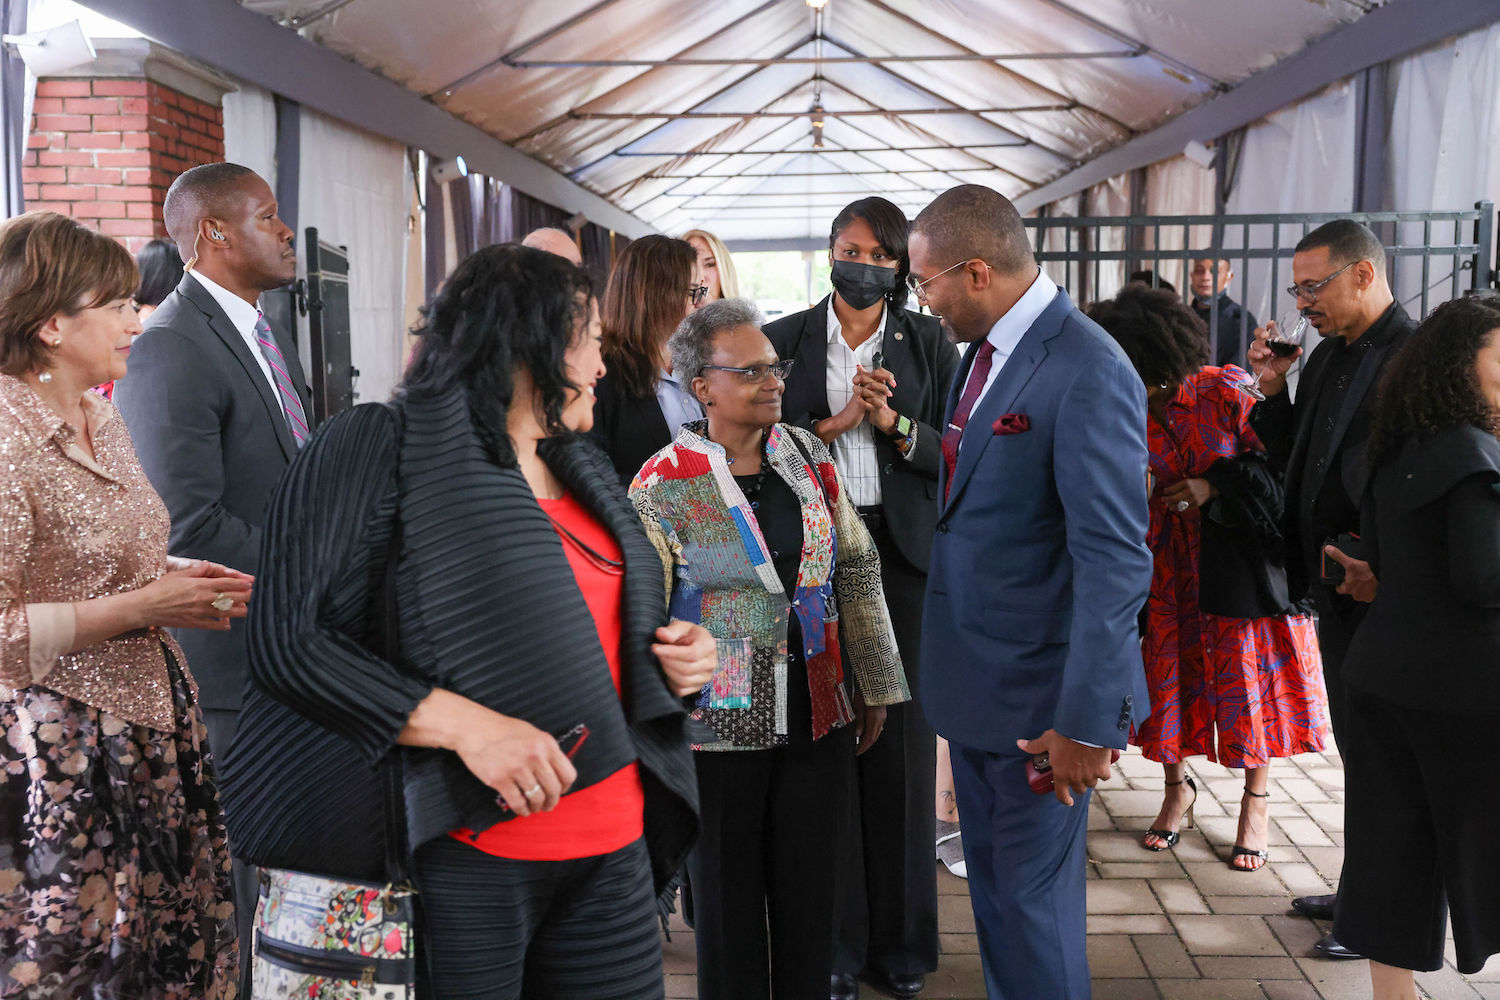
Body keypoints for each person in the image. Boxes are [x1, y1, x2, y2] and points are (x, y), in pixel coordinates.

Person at [225, 244, 711, 998]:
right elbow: (288, 641)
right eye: (587, 341)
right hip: (460, 856)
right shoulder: (378, 445)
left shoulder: (583, 468)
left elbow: (593, 628)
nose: (603, 365)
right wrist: (465, 726)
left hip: (611, 848)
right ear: (531, 346)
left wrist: (674, 659)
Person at [909, 185, 1152, 998]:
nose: (923, 300)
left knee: (1033, 911)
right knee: (1002, 905)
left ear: (977, 271)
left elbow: (1114, 562)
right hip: (978, 688)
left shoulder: (1086, 367)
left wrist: (1087, 720)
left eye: (926, 282)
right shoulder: (977, 356)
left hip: (1044, 712)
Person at [0, 212, 251, 997]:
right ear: (49, 324)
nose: (136, 318)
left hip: (148, 730)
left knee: (167, 955)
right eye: (114, 304)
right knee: (74, 963)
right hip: (58, 753)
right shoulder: (6, 435)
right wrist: (148, 603)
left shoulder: (101, 413)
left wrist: (176, 577)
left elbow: (90, 553)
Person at [631, 299, 909, 1000]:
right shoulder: (664, 482)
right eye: (749, 370)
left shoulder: (807, 455)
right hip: (715, 726)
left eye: (774, 365)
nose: (773, 380)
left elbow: (856, 564)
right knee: (725, 909)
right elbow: (642, 618)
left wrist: (873, 683)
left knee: (812, 899)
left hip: (819, 706)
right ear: (702, 387)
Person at [112, 161, 312, 990]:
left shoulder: (264, 333)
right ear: (216, 234)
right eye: (269, 217)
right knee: (233, 877)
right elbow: (187, 525)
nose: (288, 232)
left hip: (285, 646)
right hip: (228, 662)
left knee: (278, 871)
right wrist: (318, 570)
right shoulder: (172, 346)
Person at [763, 195, 958, 1000]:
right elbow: (760, 448)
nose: (866, 266)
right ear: (829, 252)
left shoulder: (932, 342)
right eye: (852, 249)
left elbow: (956, 450)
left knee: (904, 757)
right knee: (825, 746)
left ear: (901, 267)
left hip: (903, 559)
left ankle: (902, 949)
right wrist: (839, 421)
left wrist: (896, 425)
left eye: (882, 256)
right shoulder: (782, 342)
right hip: (814, 560)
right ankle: (834, 950)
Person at [1087, 284, 1328, 871]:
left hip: (1234, 565)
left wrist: (1212, 485)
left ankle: (1256, 800)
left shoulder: (1222, 391)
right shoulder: (1122, 405)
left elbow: (1278, 466)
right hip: (1164, 569)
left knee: (1245, 686)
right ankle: (1177, 793)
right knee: (1170, 681)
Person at [1247, 219, 1413, 959]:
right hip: (1334, 589)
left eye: (1313, 287)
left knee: (1388, 760)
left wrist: (1389, 565)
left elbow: (1425, 485)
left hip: (1389, 594)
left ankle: (1386, 917)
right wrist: (1274, 388)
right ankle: (1362, 892)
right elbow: (1296, 460)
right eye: (1296, 289)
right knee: (1359, 751)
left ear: (1363, 274)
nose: (1302, 303)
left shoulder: (1414, 359)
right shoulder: (1326, 360)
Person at [1332, 292, 1500, 999]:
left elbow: (1393, 556)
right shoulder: (1474, 457)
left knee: (1388, 853)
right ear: (1464, 366)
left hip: (1381, 676)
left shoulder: (1395, 446)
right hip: (1467, 695)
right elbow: (1483, 579)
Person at [591, 234, 705, 483]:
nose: (702, 302)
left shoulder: (705, 362)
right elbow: (596, 479)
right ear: (655, 296)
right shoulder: (601, 376)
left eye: (702, 290)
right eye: (693, 292)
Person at [1189, 257, 1259, 369]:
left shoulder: (1241, 320)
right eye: (1199, 271)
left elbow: (1238, 376)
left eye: (1215, 271)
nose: (1205, 277)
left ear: (1229, 277)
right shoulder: (1180, 317)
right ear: (1191, 275)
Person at [683, 229, 740, 305]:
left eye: (710, 265)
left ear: (724, 270)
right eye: (689, 267)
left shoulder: (743, 315)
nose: (700, 278)